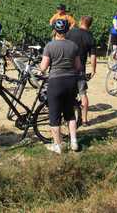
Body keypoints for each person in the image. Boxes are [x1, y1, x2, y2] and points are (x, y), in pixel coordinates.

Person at [40, 19, 81, 154]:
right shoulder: (73, 46)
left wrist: (40, 69)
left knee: (54, 115)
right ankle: (74, 142)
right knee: (70, 113)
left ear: (55, 31)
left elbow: (43, 67)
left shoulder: (50, 46)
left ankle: (58, 145)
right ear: (67, 30)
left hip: (55, 82)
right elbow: (78, 66)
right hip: (70, 82)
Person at [66, 16, 97, 127]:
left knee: (67, 93)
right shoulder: (90, 37)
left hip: (68, 68)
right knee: (83, 94)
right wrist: (93, 70)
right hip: (80, 70)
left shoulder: (71, 33)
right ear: (90, 25)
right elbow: (93, 56)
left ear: (81, 22)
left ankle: (68, 118)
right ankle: (84, 120)